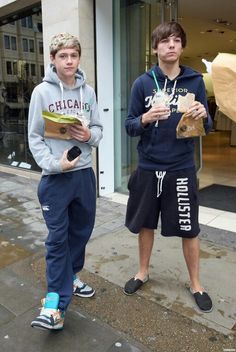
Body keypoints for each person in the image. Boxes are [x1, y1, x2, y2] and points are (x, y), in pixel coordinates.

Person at [123, 21, 213, 313]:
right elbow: (130, 126)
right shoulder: (143, 83)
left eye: (176, 40)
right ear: (155, 47)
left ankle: (196, 283)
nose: (171, 45)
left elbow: (207, 126)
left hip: (182, 167)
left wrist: (203, 115)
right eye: (165, 41)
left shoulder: (195, 81)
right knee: (146, 224)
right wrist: (146, 119)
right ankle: (142, 272)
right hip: (149, 167)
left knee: (190, 229)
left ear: (182, 47)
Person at [28, 33, 103, 330]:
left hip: (84, 175)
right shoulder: (42, 92)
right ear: (53, 59)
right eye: (63, 56)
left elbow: (98, 129)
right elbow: (34, 137)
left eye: (73, 55)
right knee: (57, 241)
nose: (69, 61)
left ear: (79, 58)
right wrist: (53, 164)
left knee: (80, 234)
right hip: (56, 180)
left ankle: (71, 276)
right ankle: (53, 306)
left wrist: (89, 136)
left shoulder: (90, 92)